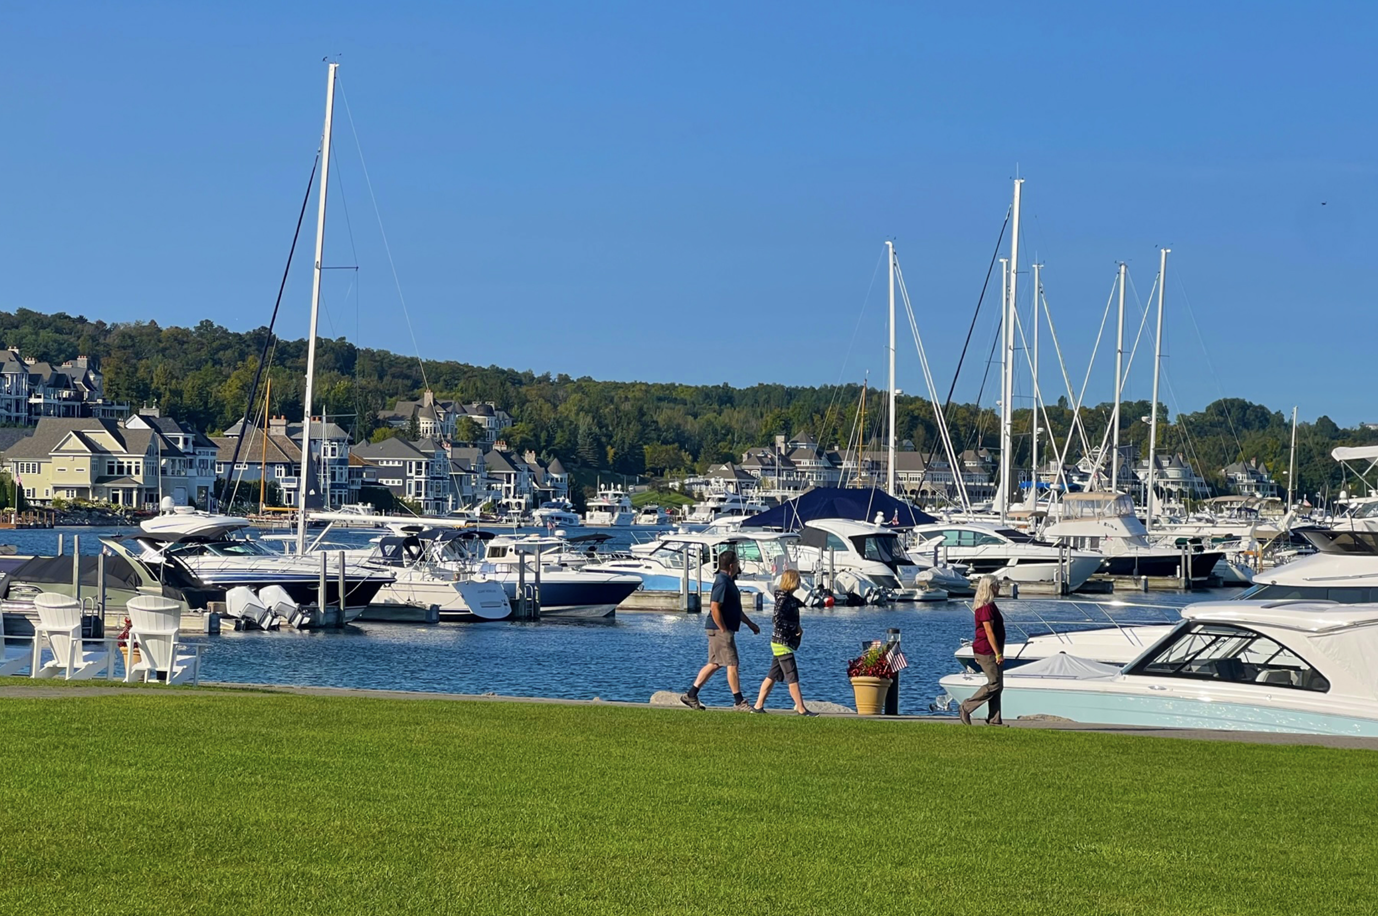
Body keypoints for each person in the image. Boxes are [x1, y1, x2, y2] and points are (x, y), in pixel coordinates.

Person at [681, 549, 760, 711]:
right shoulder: (722, 582)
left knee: (715, 663)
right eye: (737, 563)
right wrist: (723, 629)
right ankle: (739, 702)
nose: (739, 566)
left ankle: (691, 695)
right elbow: (715, 607)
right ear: (732, 565)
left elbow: (735, 609)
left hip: (719, 629)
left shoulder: (729, 581)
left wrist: (750, 624)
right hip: (719, 630)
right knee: (732, 663)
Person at [750, 569, 817, 716]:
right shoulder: (783, 599)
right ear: (792, 581)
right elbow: (777, 620)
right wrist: (794, 628)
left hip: (781, 642)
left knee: (772, 675)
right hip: (782, 643)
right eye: (797, 580)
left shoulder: (789, 598)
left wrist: (797, 627)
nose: (799, 582)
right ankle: (801, 708)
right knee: (792, 675)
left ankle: (758, 706)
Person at [959, 575, 1006, 726]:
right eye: (997, 585)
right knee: (994, 684)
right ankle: (967, 707)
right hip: (987, 650)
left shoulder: (990, 605)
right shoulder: (986, 608)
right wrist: (997, 653)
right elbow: (988, 632)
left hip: (991, 649)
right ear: (990, 587)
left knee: (998, 685)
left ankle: (994, 720)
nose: (999, 588)